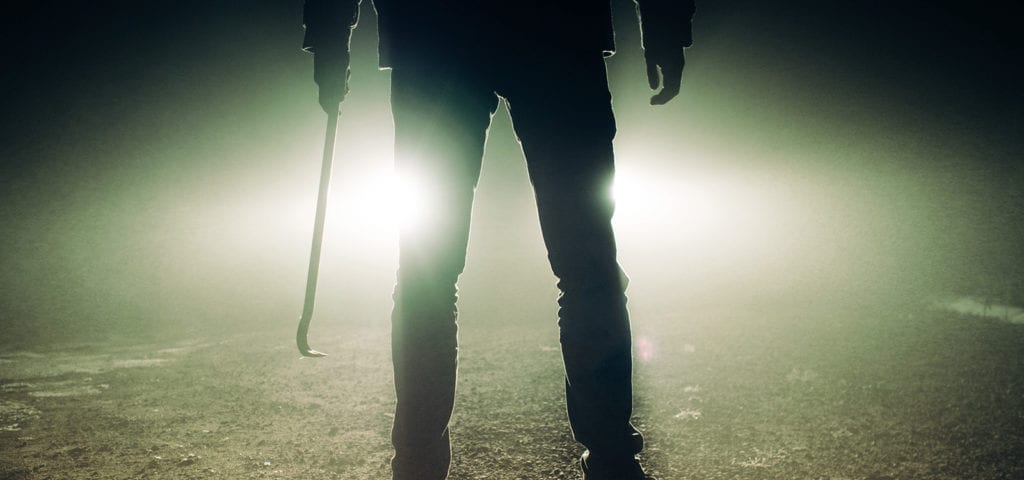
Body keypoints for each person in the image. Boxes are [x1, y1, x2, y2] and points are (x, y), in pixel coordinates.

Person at [302, 1, 694, 478]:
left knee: (431, 274)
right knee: (587, 264)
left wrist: (327, 35)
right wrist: (666, 23)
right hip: (551, 30)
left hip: (437, 32)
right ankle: (612, 458)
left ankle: (417, 462)